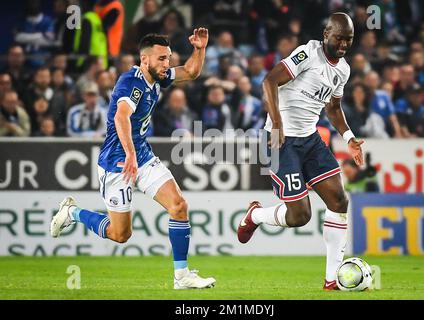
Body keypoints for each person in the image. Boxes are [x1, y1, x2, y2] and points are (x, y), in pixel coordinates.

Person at [50, 29, 216, 289]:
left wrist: (200, 49)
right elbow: (120, 117)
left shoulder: (157, 78)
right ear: (144, 59)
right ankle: (73, 213)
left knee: (179, 206)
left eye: (168, 57)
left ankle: (182, 277)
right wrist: (129, 154)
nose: (167, 64)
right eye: (161, 58)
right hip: (117, 161)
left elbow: (191, 72)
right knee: (120, 234)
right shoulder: (131, 83)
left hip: (143, 156)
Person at [236, 13, 364, 291]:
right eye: (339, 38)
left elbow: (333, 108)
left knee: (340, 201)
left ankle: (332, 280)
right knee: (300, 216)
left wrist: (349, 137)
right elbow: (269, 81)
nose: (343, 45)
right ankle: (255, 216)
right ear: (326, 33)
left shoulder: (343, 69)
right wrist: (277, 125)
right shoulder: (308, 53)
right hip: (281, 142)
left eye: (349, 40)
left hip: (310, 140)